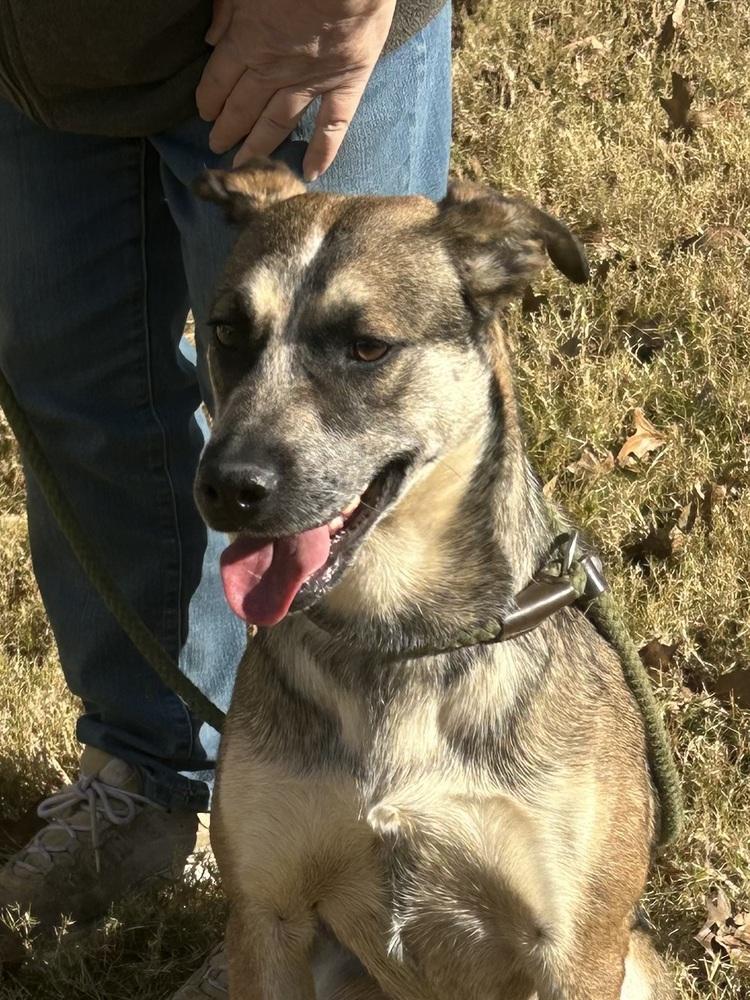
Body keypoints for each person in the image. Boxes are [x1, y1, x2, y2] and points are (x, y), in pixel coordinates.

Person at [0, 0, 451, 994]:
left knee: (352, 447)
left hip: (282, 33)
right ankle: (151, 774)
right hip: (47, 55)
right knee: (84, 395)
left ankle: (356, 896)